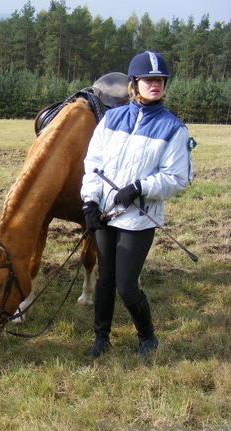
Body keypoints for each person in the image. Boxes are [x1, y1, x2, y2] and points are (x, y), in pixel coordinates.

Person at [80, 51, 193, 358]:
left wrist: (138, 187)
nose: (155, 84)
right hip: (105, 213)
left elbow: (178, 177)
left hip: (139, 218)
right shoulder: (111, 119)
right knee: (105, 280)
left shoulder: (173, 128)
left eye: (160, 80)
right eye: (149, 79)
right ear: (134, 83)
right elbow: (94, 164)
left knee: (126, 286)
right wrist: (90, 202)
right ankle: (101, 338)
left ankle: (147, 337)